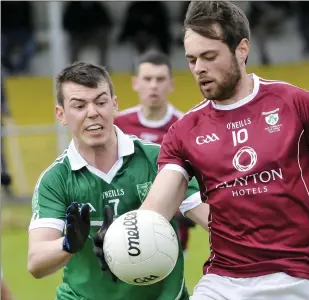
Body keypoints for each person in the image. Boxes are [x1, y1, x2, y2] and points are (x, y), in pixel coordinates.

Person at [96, 1, 309, 299]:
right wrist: (122, 237)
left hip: (294, 276)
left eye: (209, 56)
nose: (199, 69)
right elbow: (156, 208)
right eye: (192, 60)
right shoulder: (184, 131)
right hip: (222, 280)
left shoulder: (295, 103)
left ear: (242, 49)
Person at [27, 61, 209, 300]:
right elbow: (36, 262)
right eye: (79, 105)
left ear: (114, 105)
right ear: (61, 114)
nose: (93, 112)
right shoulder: (56, 179)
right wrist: (69, 243)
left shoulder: (158, 160)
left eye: (101, 102)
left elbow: (213, 219)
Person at [114, 49, 197, 256]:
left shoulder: (186, 126)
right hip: (124, 231)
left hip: (174, 234)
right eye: (147, 78)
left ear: (171, 84)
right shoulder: (117, 126)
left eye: (160, 79)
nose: (153, 85)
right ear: (135, 83)